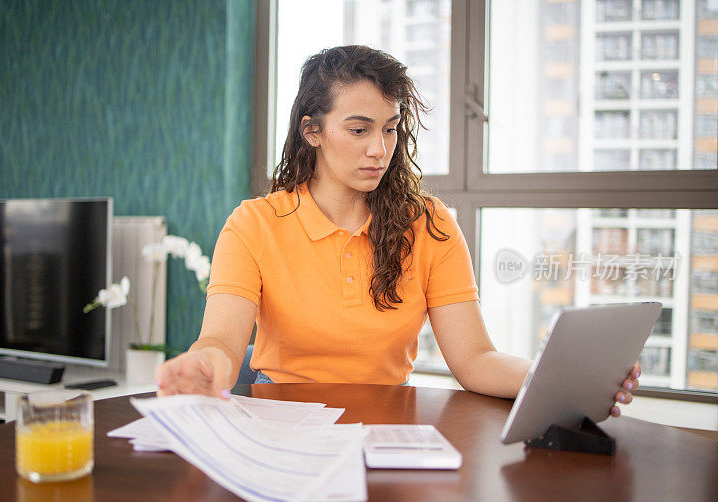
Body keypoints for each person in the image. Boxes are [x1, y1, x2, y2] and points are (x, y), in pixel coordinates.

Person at [156, 45, 640, 415]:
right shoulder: (253, 224)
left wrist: (552, 379)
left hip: (390, 419)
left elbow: (474, 359)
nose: (379, 150)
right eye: (359, 129)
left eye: (390, 128)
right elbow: (221, 339)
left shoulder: (430, 225)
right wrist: (207, 364)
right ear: (312, 131)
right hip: (280, 420)